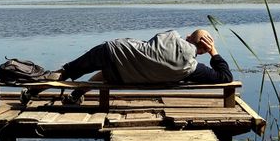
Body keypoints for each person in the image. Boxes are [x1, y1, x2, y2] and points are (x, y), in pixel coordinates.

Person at [40, 29, 233, 105]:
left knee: (67, 70)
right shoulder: (191, 68)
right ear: (202, 50)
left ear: (189, 38)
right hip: (123, 75)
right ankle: (76, 94)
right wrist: (214, 52)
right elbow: (225, 77)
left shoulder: (173, 35)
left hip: (113, 50)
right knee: (112, 71)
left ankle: (33, 90)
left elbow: (149, 45)